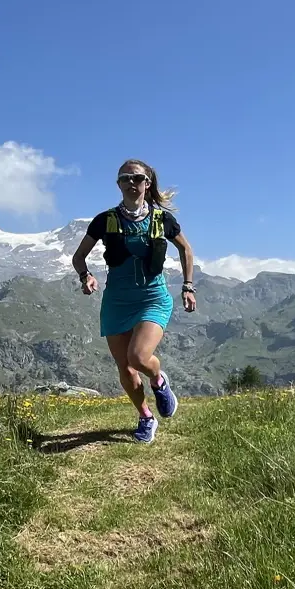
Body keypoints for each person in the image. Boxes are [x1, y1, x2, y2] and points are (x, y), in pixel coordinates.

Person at [71, 158, 197, 443]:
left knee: (138, 357)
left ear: (147, 184)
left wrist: (188, 286)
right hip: (116, 301)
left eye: (137, 178)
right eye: (125, 178)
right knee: (125, 368)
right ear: (118, 184)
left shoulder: (162, 219)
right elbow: (79, 256)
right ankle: (146, 417)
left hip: (152, 297)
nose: (131, 183)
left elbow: (186, 250)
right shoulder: (105, 220)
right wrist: (85, 277)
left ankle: (158, 380)